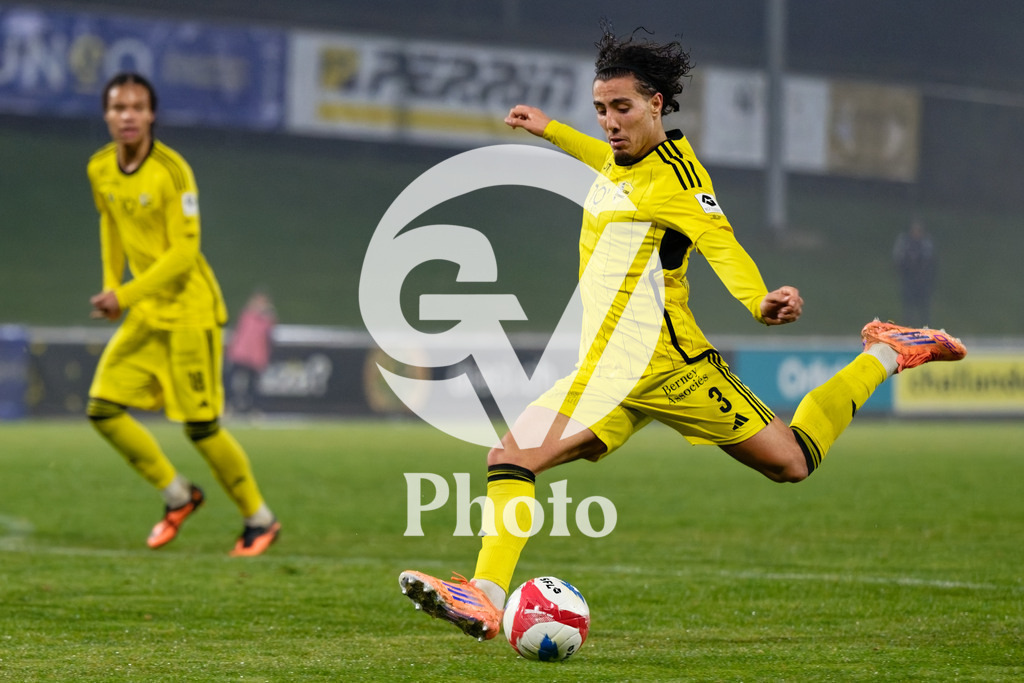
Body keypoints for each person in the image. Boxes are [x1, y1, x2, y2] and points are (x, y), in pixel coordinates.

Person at [398, 26, 966, 640]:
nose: (609, 123)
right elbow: (603, 160)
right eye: (600, 109)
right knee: (510, 457)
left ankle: (886, 352)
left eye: (621, 108)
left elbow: (721, 244)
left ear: (656, 105)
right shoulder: (620, 159)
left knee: (793, 462)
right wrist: (551, 130)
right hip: (606, 372)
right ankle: (484, 598)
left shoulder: (680, 181)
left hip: (672, 369)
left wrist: (758, 301)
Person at [86, 72, 280, 556]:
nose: (128, 116)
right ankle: (178, 495)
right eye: (118, 107)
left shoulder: (171, 171)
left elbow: (184, 253)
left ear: (151, 115)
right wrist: (112, 286)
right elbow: (111, 223)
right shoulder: (100, 167)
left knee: (201, 428)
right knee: (103, 409)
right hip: (146, 313)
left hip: (191, 313)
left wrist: (124, 295)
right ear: (107, 115)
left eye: (137, 107)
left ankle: (259, 519)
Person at [226, 290, 277, 415]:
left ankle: (253, 409)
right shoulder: (246, 315)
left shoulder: (267, 319)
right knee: (230, 380)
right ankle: (230, 405)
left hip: (256, 357)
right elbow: (239, 333)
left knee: (253, 385)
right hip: (240, 354)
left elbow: (268, 333)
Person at [893, 218, 937, 326]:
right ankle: (908, 326)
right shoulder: (904, 242)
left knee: (924, 307)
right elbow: (898, 259)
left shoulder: (926, 243)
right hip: (908, 279)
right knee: (908, 307)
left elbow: (930, 261)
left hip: (922, 280)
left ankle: (926, 327)